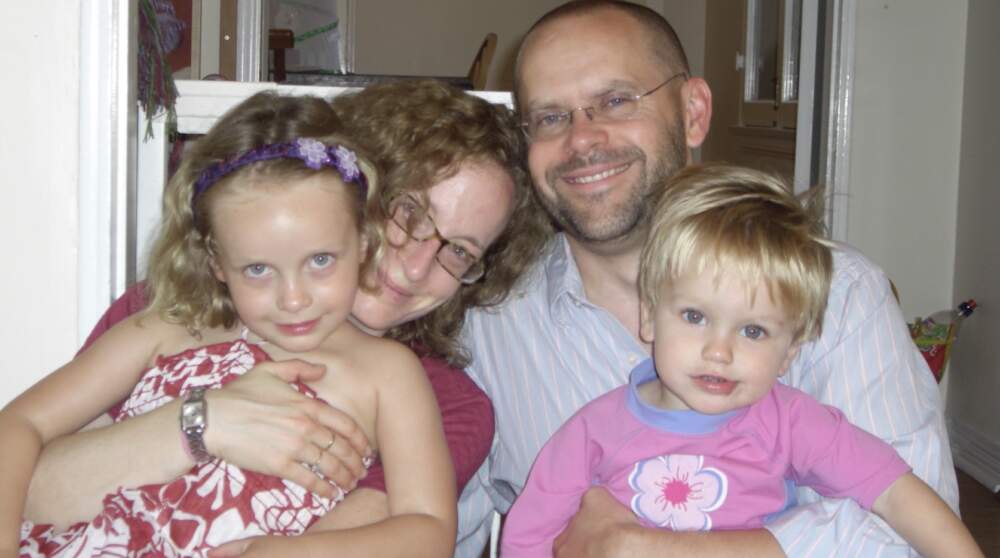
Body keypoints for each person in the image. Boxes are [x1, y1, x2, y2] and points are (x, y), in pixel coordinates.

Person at [457, 2, 958, 556]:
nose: (581, 140)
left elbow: (909, 532)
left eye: (616, 101)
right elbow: (450, 527)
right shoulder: (485, 327)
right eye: (551, 117)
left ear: (693, 111)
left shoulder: (841, 294)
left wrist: (652, 550)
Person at [9, 81, 553, 557]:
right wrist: (201, 425)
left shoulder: (410, 386)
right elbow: (28, 450)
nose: (414, 267)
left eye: (458, 250)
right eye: (410, 213)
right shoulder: (170, 318)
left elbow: (422, 531)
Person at [500, 164, 983, 558]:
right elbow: (528, 537)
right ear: (650, 317)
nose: (719, 350)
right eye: (695, 316)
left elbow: (897, 493)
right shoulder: (592, 432)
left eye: (753, 331)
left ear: (790, 352)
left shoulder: (792, 422)